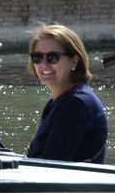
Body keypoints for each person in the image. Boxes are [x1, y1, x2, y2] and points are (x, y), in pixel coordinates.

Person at [25, 24, 107, 165]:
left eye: (52, 57)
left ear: (74, 61)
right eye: (37, 57)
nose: (43, 64)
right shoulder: (55, 103)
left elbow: (52, 165)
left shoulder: (77, 103)